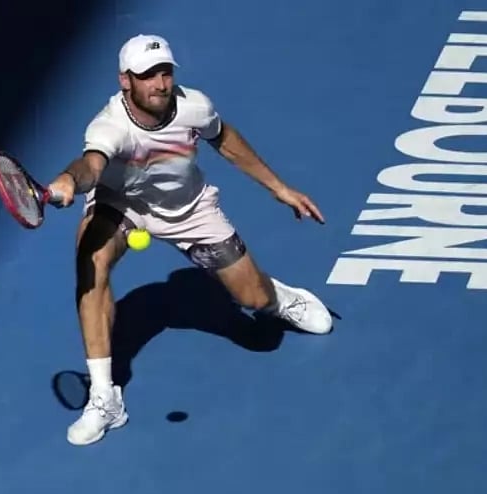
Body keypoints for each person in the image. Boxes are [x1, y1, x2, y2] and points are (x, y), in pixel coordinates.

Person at [46, 33, 334, 446]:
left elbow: (226, 140)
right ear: (125, 80)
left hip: (189, 211)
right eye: (148, 76)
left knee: (253, 302)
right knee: (90, 264)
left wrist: (278, 187)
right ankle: (105, 398)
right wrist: (70, 180)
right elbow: (91, 165)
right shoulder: (110, 127)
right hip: (121, 204)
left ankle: (281, 298)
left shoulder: (193, 106)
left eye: (165, 72)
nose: (160, 84)